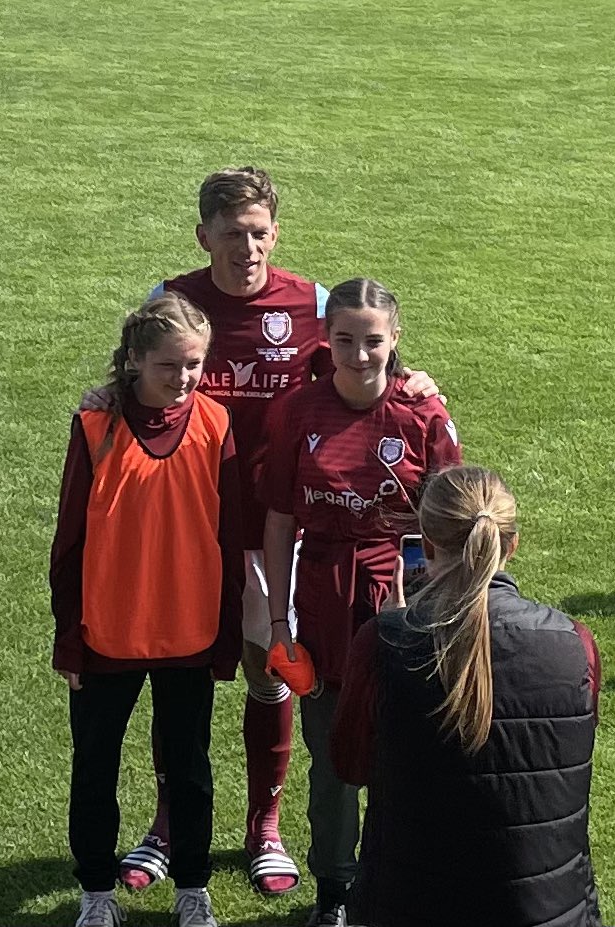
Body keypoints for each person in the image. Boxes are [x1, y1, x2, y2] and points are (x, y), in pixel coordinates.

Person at [81, 167, 442, 896]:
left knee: (271, 670)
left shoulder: (308, 302)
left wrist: (415, 381)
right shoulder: (173, 298)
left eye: (258, 233)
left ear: (275, 233)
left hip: (277, 525)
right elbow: (145, 370)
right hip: (185, 522)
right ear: (203, 236)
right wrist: (106, 388)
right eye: (232, 233)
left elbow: (359, 362)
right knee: (177, 672)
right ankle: (168, 825)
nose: (246, 247)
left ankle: (264, 826)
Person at [260, 278, 462, 927]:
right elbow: (279, 518)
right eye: (344, 339)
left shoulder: (423, 414)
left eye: (372, 340)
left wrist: (441, 614)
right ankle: (336, 889)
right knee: (333, 761)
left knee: (407, 751)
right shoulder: (300, 409)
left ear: (394, 338)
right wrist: (276, 620)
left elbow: (453, 526)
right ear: (326, 337)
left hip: (403, 604)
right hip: (320, 604)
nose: (359, 353)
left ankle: (402, 877)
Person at [332, 466, 603, 927]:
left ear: (428, 546)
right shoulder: (574, 643)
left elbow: (351, 764)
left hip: (410, 903)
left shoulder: (384, 644)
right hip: (550, 908)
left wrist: (394, 628)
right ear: (510, 545)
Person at [50, 293, 244, 927]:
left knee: (189, 768)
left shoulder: (215, 423)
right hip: (108, 631)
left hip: (189, 629)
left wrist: (226, 636)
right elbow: (70, 538)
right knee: (95, 766)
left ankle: (193, 887)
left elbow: (231, 531)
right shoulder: (96, 426)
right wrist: (69, 639)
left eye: (194, 365)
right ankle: (96, 893)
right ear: (134, 361)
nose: (184, 378)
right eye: (170, 366)